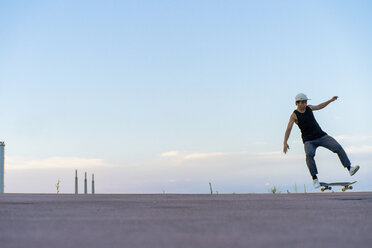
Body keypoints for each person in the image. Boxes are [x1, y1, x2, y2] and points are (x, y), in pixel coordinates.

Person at [283, 93, 360, 188]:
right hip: (309, 141)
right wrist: (285, 142)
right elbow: (288, 129)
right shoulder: (294, 116)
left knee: (337, 147)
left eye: (305, 102)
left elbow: (320, 106)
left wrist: (330, 100)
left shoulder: (309, 108)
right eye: (302, 102)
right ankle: (315, 179)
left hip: (321, 136)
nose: (304, 104)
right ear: (297, 103)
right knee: (309, 155)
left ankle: (350, 168)